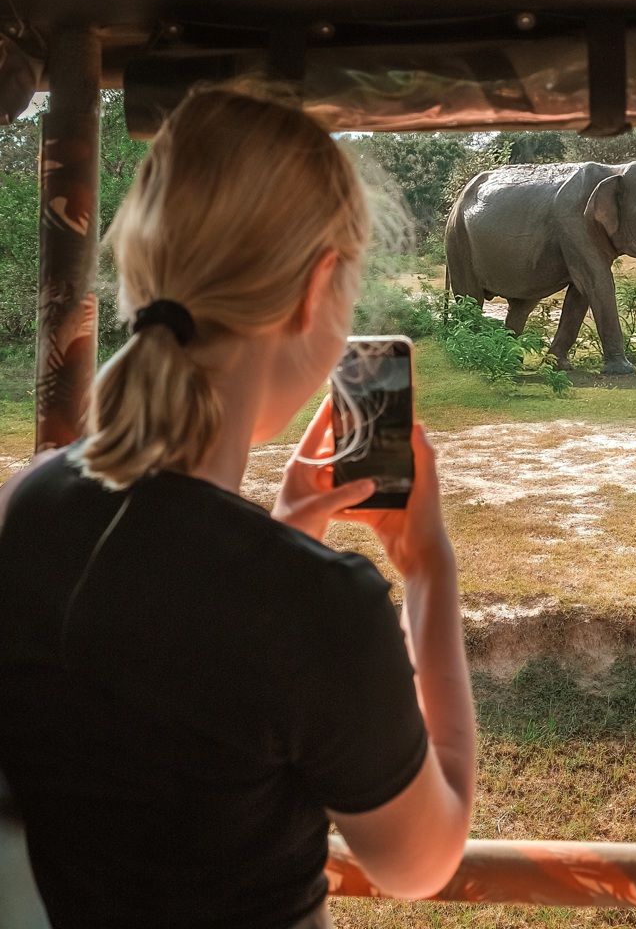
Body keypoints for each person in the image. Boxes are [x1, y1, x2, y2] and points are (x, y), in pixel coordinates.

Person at [0, 80, 475, 929]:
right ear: (315, 287)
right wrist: (429, 575)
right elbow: (422, 859)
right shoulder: (316, 610)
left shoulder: (30, 508)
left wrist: (281, 536)